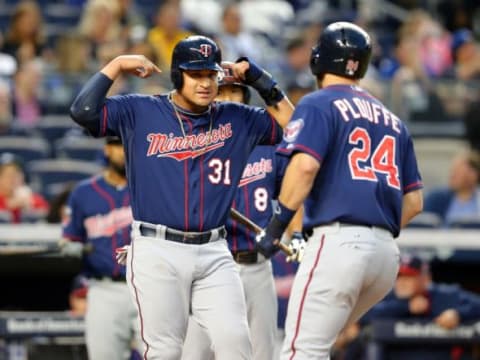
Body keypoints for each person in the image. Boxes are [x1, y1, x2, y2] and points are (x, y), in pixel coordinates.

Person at [69, 35, 294, 359]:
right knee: (165, 352)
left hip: (216, 250)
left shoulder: (237, 117)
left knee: (237, 344)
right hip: (158, 249)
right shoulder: (140, 110)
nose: (204, 83)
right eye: (195, 74)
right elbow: (83, 111)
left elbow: (295, 127)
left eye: (210, 74)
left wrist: (259, 79)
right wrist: (116, 65)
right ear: (178, 75)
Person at [255, 21, 424, 359]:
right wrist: (370, 230)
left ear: (319, 59)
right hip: (384, 256)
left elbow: (304, 167)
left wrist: (278, 226)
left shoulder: (319, 102)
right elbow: (415, 202)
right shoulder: (392, 119)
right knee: (320, 344)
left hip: (339, 243)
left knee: (301, 350)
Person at [181, 64, 303, 360]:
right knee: (194, 353)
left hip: (258, 265)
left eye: (234, 91)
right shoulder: (196, 143)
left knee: (262, 353)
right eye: (222, 92)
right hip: (209, 264)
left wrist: (296, 232)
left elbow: (292, 192)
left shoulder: (268, 144)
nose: (228, 98)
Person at [61, 136, 140, 360]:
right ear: (107, 149)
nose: (122, 151)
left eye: (127, 145)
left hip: (147, 285)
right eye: (117, 145)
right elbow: (70, 236)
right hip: (104, 289)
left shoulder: (151, 187)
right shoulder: (84, 193)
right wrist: (70, 246)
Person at [359, 254, 480, 359]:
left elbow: (477, 304)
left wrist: (458, 314)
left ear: (426, 279)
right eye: (399, 277)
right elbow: (362, 315)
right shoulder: (387, 297)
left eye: (409, 277)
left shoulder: (445, 296)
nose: (402, 282)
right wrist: (406, 306)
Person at [424, 150, 480, 227]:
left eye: (457, 172)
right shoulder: (436, 199)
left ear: (473, 175)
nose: (452, 175)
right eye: (452, 171)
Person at [0, 152, 49, 223]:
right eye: (7, 175)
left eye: (16, 174)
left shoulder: (31, 199)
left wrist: (28, 205)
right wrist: (8, 205)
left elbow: (47, 212)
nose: (12, 179)